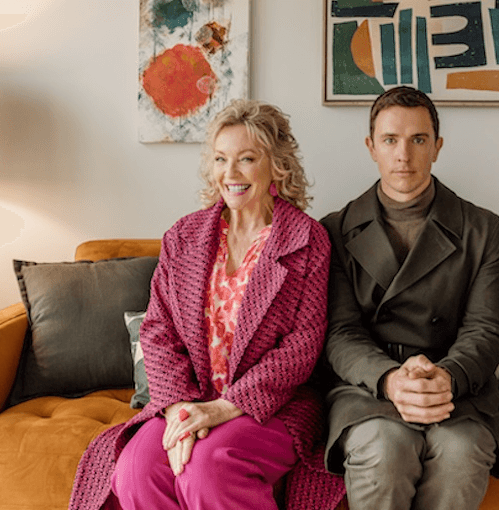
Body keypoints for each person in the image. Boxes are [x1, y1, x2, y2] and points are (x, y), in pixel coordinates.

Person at [69, 100, 345, 510]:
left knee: (209, 469)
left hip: (273, 406)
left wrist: (223, 409)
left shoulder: (306, 240)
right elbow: (158, 332)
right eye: (220, 159)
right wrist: (181, 411)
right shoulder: (183, 238)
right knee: (135, 470)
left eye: (246, 159)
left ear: (277, 165)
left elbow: (300, 349)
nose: (230, 174)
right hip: (188, 398)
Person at [320, 86, 499, 510]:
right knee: (383, 447)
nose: (403, 154)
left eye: (418, 139)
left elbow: (488, 328)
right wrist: (390, 380)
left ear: (437, 147)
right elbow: (340, 332)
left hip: (456, 386)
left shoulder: (483, 228)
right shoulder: (332, 230)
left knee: (462, 452)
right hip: (367, 387)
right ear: (371, 147)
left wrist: (445, 378)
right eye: (390, 140)